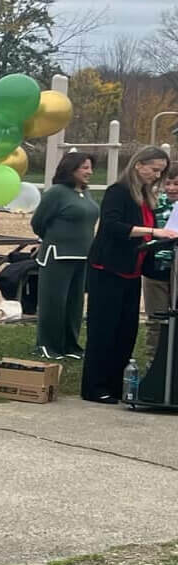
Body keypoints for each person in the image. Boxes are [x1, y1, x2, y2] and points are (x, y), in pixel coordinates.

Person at [82, 146, 178, 402]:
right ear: (138, 165)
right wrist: (153, 232)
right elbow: (113, 226)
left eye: (160, 172)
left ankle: (116, 385)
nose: (156, 176)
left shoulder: (145, 197)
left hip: (132, 271)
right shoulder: (118, 192)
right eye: (154, 170)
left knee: (126, 331)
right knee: (104, 328)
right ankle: (95, 386)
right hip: (108, 269)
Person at [30, 152, 99, 360]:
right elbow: (38, 223)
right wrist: (55, 238)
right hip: (57, 256)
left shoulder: (86, 194)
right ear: (71, 169)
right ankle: (47, 345)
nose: (90, 172)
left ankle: (70, 344)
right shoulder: (56, 193)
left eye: (90, 167)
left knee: (74, 304)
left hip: (82, 256)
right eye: (84, 168)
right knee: (54, 302)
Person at [142, 171, 178, 329]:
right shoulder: (152, 205)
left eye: (176, 184)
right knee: (156, 318)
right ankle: (155, 353)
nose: (171, 188)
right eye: (167, 184)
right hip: (156, 266)